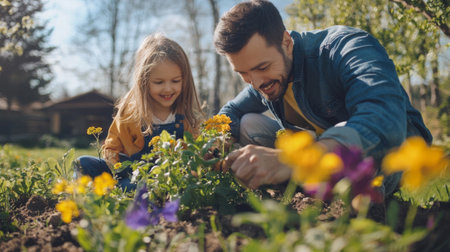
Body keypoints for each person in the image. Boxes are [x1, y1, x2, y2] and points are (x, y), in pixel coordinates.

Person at [214, 0, 432, 197]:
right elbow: (231, 110)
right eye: (242, 73)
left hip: (392, 153)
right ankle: (304, 194)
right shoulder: (263, 80)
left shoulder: (346, 47)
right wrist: (218, 141)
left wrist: (292, 160)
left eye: (262, 67)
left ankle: (352, 198)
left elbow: (384, 120)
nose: (255, 82)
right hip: (324, 156)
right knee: (248, 124)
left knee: (347, 132)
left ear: (286, 42)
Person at [76, 33, 203, 191]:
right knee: (84, 163)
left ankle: (118, 190)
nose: (168, 88)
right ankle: (103, 188)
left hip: (166, 177)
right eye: (159, 82)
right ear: (143, 81)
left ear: (184, 80)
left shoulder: (186, 117)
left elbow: (196, 152)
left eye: (175, 81)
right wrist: (114, 164)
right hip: (131, 172)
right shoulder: (130, 114)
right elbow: (112, 145)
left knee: (138, 187)